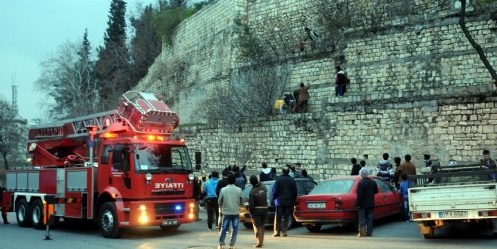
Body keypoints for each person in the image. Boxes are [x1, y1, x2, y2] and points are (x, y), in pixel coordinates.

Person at [217, 173, 243, 249]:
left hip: (226, 212)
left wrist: (222, 206)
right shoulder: (239, 190)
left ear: (227, 180)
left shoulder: (223, 190)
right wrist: (238, 205)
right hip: (235, 212)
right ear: (235, 180)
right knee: (234, 229)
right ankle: (231, 245)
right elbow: (242, 201)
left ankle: (221, 244)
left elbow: (219, 202)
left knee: (224, 228)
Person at [272, 166, 297, 237]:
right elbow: (295, 191)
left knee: (278, 218)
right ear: (289, 172)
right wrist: (293, 200)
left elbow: (275, 191)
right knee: (286, 217)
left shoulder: (279, 179)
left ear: (282, 171)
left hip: (279, 202)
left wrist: (274, 198)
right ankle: (284, 232)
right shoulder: (292, 180)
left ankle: (277, 232)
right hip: (288, 202)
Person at [356, 168, 378, 237]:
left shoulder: (361, 183)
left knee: (362, 219)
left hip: (362, 204)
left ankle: (362, 233)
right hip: (371, 203)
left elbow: (359, 195)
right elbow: (376, 191)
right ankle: (369, 232)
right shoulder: (373, 182)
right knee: (370, 219)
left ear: (361, 174)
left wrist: (358, 204)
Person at [248, 175, 268, 248]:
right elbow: (265, 191)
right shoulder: (263, 187)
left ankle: (259, 243)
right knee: (262, 226)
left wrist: (250, 212)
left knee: (258, 227)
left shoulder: (252, 191)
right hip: (265, 208)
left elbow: (251, 205)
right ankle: (262, 242)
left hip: (257, 210)